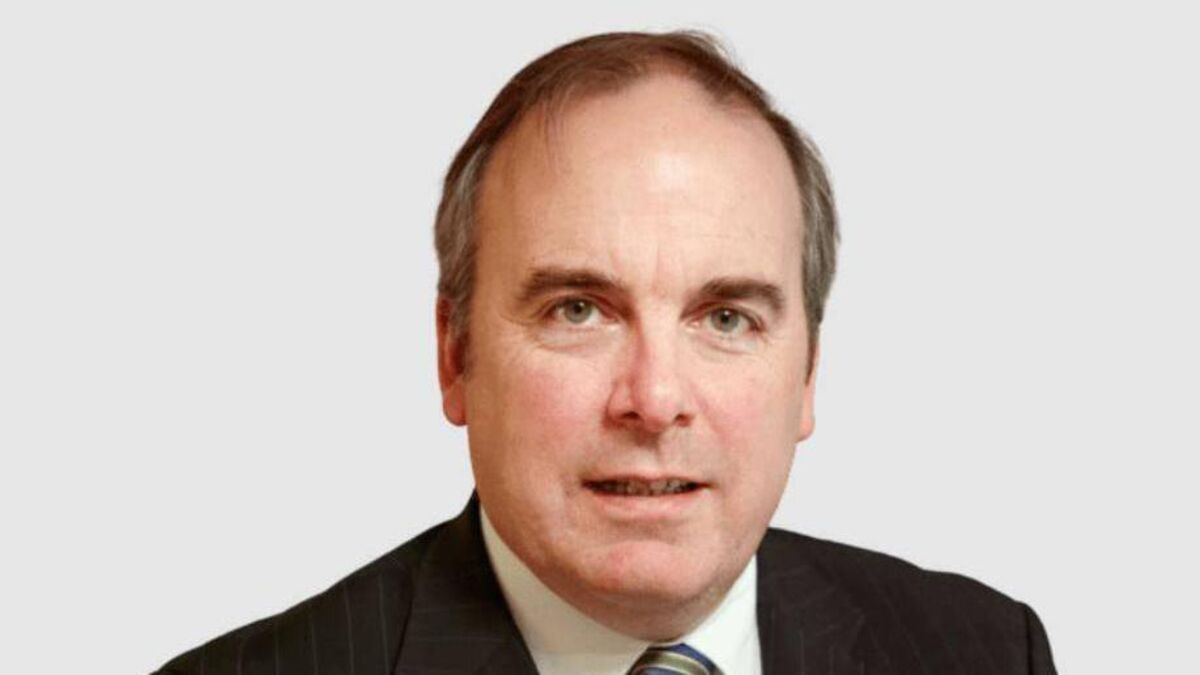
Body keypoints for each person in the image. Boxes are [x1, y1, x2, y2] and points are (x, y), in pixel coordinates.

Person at [155, 31, 1055, 674]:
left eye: (726, 318)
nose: (655, 399)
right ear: (454, 354)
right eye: (579, 310)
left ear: (809, 373)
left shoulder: (982, 650)